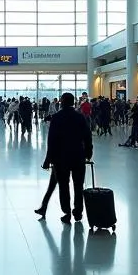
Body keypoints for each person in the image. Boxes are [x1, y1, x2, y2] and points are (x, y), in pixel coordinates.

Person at [42, 93, 93, 224]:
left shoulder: (57, 118)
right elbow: (87, 136)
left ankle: (67, 212)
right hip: (78, 155)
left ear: (63, 102)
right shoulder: (80, 117)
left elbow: (51, 140)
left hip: (61, 157)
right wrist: (88, 152)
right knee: (78, 186)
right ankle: (78, 212)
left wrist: (48, 159)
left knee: (64, 186)